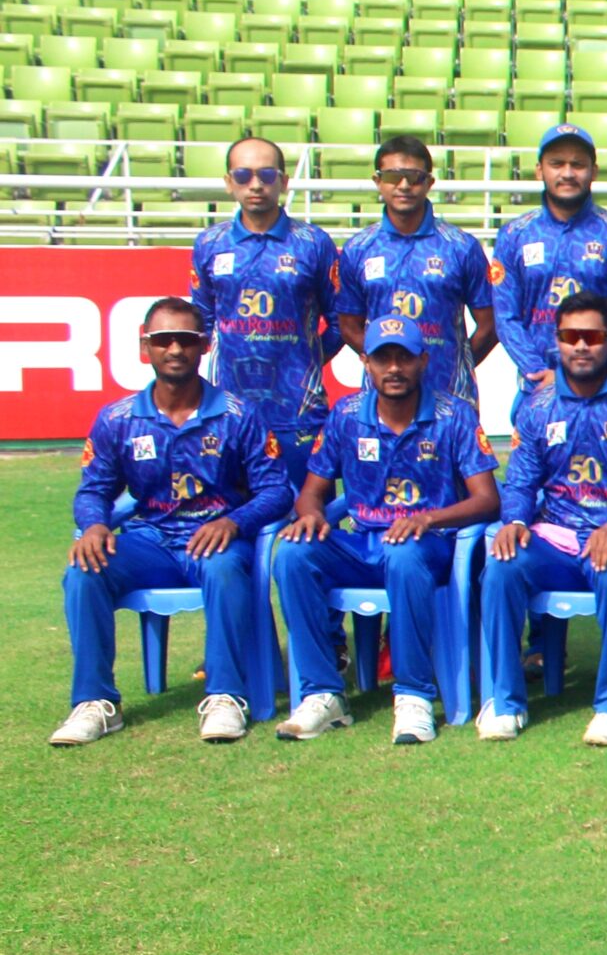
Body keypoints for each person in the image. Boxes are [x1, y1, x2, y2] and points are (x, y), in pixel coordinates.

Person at [53, 298, 290, 747]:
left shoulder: (238, 415)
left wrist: (234, 522)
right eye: (164, 340)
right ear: (145, 348)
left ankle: (225, 696)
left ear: (205, 345)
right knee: (84, 569)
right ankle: (95, 702)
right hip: (150, 543)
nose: (175, 349)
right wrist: (95, 525)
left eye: (186, 339)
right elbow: (93, 489)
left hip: (216, 542)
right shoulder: (118, 419)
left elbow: (276, 489)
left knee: (224, 568)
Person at [271, 315, 501, 746]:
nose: (393, 368)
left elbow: (487, 499)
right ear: (366, 363)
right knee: (293, 553)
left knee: (404, 552)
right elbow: (312, 492)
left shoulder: (454, 415)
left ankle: (413, 695)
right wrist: (312, 515)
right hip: (362, 542)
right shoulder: (345, 415)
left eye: (404, 357)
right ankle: (322, 693)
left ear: (423, 361)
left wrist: (429, 519)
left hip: (428, 545)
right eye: (382, 358)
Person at [476, 292, 607, 747]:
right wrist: (515, 522)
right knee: (502, 566)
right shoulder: (536, 407)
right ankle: (506, 701)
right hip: (554, 538)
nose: (581, 345)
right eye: (570, 336)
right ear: (557, 341)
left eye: (592, 336)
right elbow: (520, 482)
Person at [189, 135, 340, 484]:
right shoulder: (209, 244)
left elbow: (339, 322)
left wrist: (306, 363)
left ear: (283, 182)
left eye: (267, 175)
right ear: (229, 182)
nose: (255, 184)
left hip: (299, 412)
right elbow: (202, 321)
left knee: (305, 512)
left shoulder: (313, 243)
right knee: (231, 511)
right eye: (243, 175)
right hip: (228, 412)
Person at [490, 123, 607, 427]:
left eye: (578, 164)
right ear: (539, 170)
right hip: (537, 387)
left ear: (594, 171)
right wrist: (540, 372)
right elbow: (506, 317)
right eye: (557, 163)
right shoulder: (513, 235)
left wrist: (573, 373)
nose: (567, 173)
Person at [333, 136, 498, 406]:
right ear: (377, 181)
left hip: (450, 397)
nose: (404, 185)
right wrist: (386, 365)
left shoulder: (461, 247)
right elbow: (348, 326)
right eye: (393, 176)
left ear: (429, 182)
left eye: (414, 177)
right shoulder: (358, 249)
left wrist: (458, 364)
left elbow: (490, 325)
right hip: (383, 399)